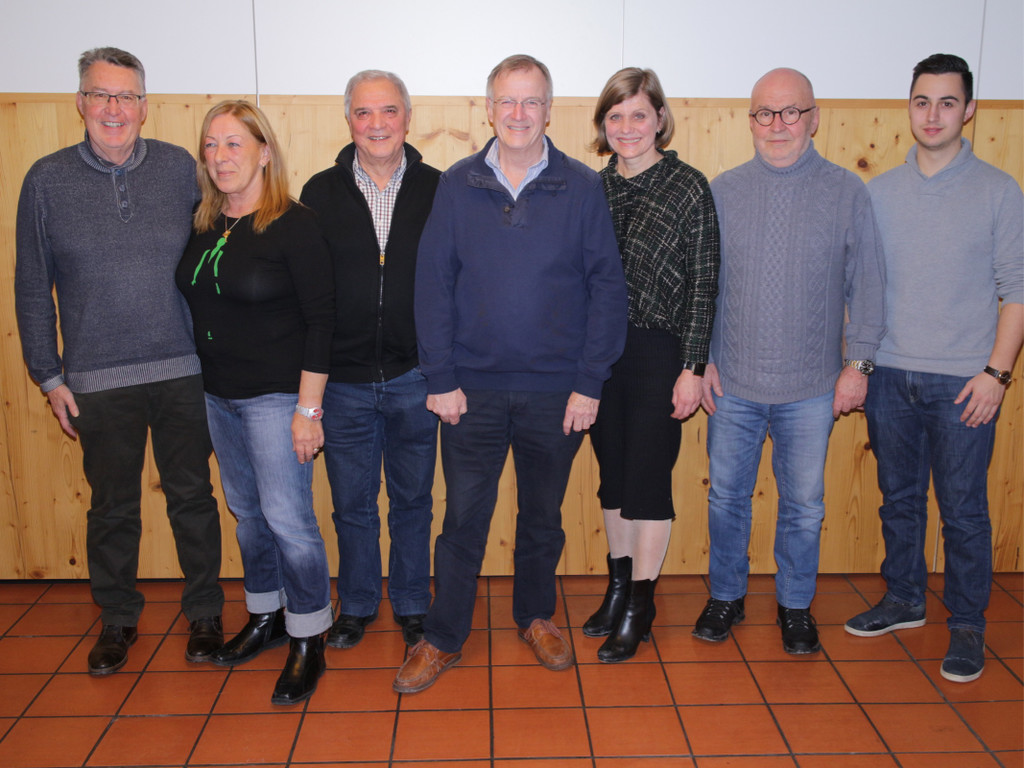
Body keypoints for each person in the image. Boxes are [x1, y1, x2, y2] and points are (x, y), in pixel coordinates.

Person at [394, 54, 628, 693]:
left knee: (542, 517)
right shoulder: (457, 184)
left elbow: (607, 290)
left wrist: (590, 382)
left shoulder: (582, 187)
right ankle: (443, 637)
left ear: (549, 111)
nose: (518, 114)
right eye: (507, 101)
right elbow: (433, 285)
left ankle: (535, 616)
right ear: (488, 109)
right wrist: (440, 377)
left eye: (531, 102)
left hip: (557, 391)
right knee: (463, 520)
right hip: (470, 390)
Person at [14, 47, 224, 676]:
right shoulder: (46, 180)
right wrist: (48, 375)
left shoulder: (180, 168)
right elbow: (32, 285)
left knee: (193, 498)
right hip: (96, 381)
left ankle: (205, 613)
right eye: (101, 95)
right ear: (80, 102)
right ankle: (117, 619)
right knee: (112, 508)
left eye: (126, 96)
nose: (114, 108)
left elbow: (220, 254)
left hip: (183, 370)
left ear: (144, 106)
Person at [694, 68, 886, 655]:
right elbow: (702, 285)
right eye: (765, 113)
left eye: (791, 111)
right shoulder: (724, 191)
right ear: (751, 120)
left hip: (812, 386)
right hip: (732, 382)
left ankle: (795, 605)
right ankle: (726, 596)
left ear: (814, 118)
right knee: (726, 500)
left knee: (804, 507)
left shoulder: (847, 192)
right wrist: (702, 359)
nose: (777, 124)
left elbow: (869, 286)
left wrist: (859, 365)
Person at [845, 54, 1023, 683]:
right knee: (898, 502)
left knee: (964, 511)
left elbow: (1017, 291)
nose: (933, 114)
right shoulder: (879, 193)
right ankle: (904, 599)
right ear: (909, 106)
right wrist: (860, 364)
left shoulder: (999, 191)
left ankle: (968, 625)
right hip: (889, 375)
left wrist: (996, 375)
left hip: (964, 383)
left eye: (948, 102)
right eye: (922, 101)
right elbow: (860, 288)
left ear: (968, 110)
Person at [176, 100, 335, 705]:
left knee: (289, 521)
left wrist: (308, 411)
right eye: (211, 145)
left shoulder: (295, 224)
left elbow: (322, 321)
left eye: (234, 144)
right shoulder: (203, 222)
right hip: (218, 396)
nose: (220, 157)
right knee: (247, 515)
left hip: (277, 399)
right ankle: (266, 614)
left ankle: (308, 635)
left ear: (264, 152)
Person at [300, 70, 440, 650]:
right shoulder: (320, 192)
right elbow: (310, 291)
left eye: (388, 111)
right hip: (344, 381)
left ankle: (411, 602)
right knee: (352, 504)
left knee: (413, 501)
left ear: (407, 118)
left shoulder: (438, 188)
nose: (376, 124)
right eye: (363, 112)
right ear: (349, 120)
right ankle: (357, 603)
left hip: (416, 376)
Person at [583, 68, 719, 662]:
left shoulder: (688, 187)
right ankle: (617, 589)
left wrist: (693, 366)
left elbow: (704, 284)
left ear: (659, 117)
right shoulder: (593, 188)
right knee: (613, 479)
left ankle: (641, 603)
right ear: (603, 125)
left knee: (647, 481)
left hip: (660, 352)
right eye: (615, 116)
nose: (627, 127)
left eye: (638, 114)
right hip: (599, 354)